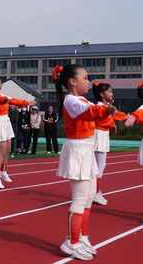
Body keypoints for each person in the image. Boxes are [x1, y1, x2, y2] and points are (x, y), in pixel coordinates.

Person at [52, 64, 115, 260]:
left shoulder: (80, 99)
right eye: (85, 78)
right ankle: (71, 242)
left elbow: (95, 113)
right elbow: (87, 111)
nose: (88, 81)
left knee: (88, 198)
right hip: (78, 151)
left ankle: (82, 237)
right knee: (79, 200)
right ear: (72, 81)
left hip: (86, 150)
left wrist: (110, 113)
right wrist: (104, 110)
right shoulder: (71, 100)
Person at [0, 73, 33, 189]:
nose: (0, 85)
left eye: (1, 83)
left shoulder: (1, 94)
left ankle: (3, 171)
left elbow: (13, 100)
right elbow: (3, 100)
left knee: (8, 149)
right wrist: (10, 99)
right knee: (1, 151)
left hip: (6, 121)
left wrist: (26, 102)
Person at [91, 82, 126, 206]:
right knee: (99, 167)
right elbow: (108, 119)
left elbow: (116, 117)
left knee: (98, 167)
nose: (112, 93)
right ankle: (95, 193)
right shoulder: (101, 106)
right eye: (109, 91)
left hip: (101, 135)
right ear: (101, 94)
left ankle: (94, 192)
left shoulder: (106, 106)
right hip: (99, 136)